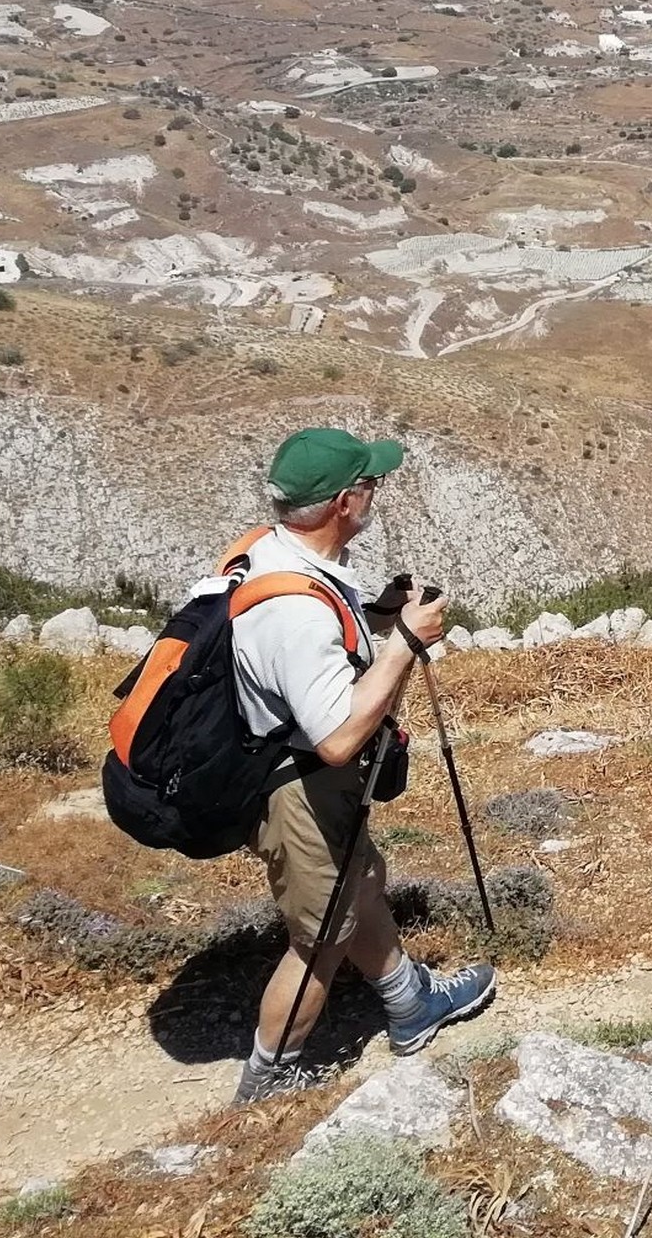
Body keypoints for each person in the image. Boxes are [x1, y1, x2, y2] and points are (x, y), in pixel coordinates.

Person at [232, 427, 497, 1104]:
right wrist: (405, 644)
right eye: (370, 483)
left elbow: (317, 660)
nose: (376, 491)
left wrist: (377, 617)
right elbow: (341, 738)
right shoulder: (293, 608)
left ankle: (411, 1006)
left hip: (290, 770)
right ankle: (269, 1080)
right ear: (346, 501)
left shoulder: (272, 557)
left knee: (363, 880)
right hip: (298, 785)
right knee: (320, 937)